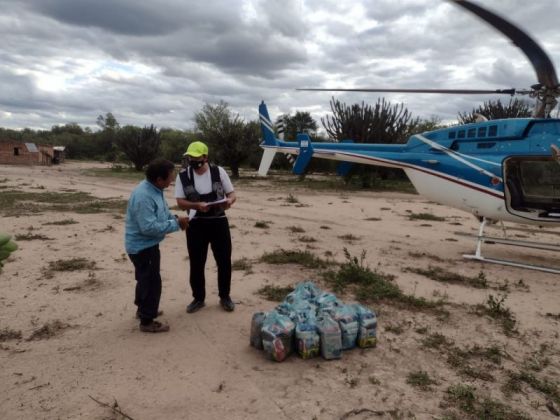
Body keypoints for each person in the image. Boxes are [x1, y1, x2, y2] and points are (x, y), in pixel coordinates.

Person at [125, 159, 189, 333]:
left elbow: (163, 213)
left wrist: (175, 218)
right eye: (170, 176)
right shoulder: (144, 196)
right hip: (142, 247)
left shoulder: (155, 190)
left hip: (148, 245)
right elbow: (148, 227)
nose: (173, 179)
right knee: (152, 282)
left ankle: (143, 310)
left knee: (145, 279)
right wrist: (177, 225)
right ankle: (147, 321)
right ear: (159, 179)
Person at [174, 141, 237, 313]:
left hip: (218, 222)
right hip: (196, 225)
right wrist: (196, 206)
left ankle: (225, 297)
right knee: (196, 263)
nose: (193, 160)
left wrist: (229, 201)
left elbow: (231, 194)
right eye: (190, 157)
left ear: (205, 157)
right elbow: (180, 202)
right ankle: (198, 298)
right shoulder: (183, 176)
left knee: (224, 261)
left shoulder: (219, 171)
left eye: (196, 157)